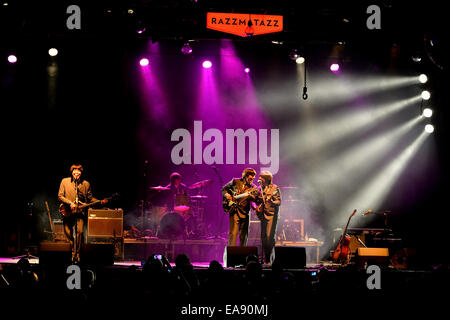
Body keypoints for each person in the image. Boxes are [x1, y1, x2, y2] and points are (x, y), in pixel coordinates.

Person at [58, 164, 108, 263]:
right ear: (72, 172)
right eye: (75, 170)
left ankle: (76, 255)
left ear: (81, 173)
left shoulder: (86, 184)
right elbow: (60, 196)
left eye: (79, 171)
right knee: (69, 234)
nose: (77, 172)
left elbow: (90, 198)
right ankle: (73, 250)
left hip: (80, 213)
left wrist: (100, 201)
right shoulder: (64, 181)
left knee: (79, 232)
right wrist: (70, 203)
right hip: (68, 212)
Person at [222, 168, 260, 246]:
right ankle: (231, 255)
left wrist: (254, 206)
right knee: (233, 234)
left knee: (244, 235)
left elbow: (254, 201)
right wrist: (228, 195)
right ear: (245, 175)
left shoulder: (254, 188)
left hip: (245, 213)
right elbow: (224, 189)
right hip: (234, 211)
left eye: (254, 176)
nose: (253, 178)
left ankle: (242, 255)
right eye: (251, 175)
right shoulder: (235, 181)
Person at [255, 170, 281, 264]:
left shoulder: (274, 188)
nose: (259, 179)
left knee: (270, 237)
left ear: (266, 179)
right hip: (263, 216)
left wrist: (272, 201)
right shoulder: (259, 189)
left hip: (272, 216)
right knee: (264, 237)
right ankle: (266, 259)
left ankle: (271, 259)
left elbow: (279, 202)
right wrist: (255, 206)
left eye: (261, 177)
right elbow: (254, 200)